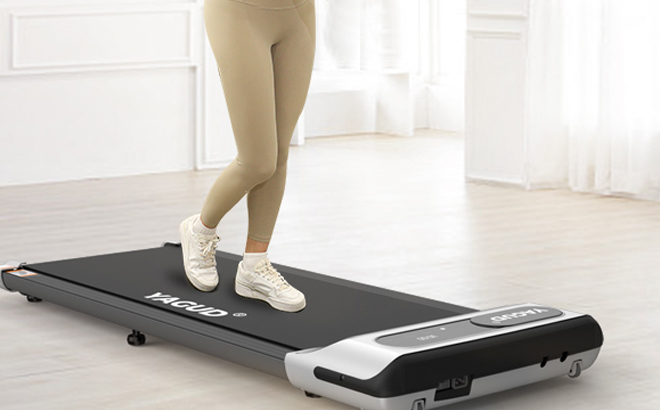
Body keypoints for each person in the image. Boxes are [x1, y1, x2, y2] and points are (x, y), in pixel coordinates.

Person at [179, 0, 316, 313]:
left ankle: (254, 266)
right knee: (258, 161)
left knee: (279, 152)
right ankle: (200, 228)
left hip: (299, 13)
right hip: (238, 11)